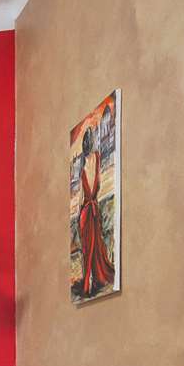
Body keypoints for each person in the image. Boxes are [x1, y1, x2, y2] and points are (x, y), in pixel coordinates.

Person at [77, 126, 115, 297]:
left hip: (86, 212)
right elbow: (98, 184)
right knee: (96, 246)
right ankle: (96, 279)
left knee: (88, 250)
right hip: (94, 211)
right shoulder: (97, 159)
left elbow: (80, 199)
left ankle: (89, 282)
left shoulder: (83, 167)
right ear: (92, 142)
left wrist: (80, 213)